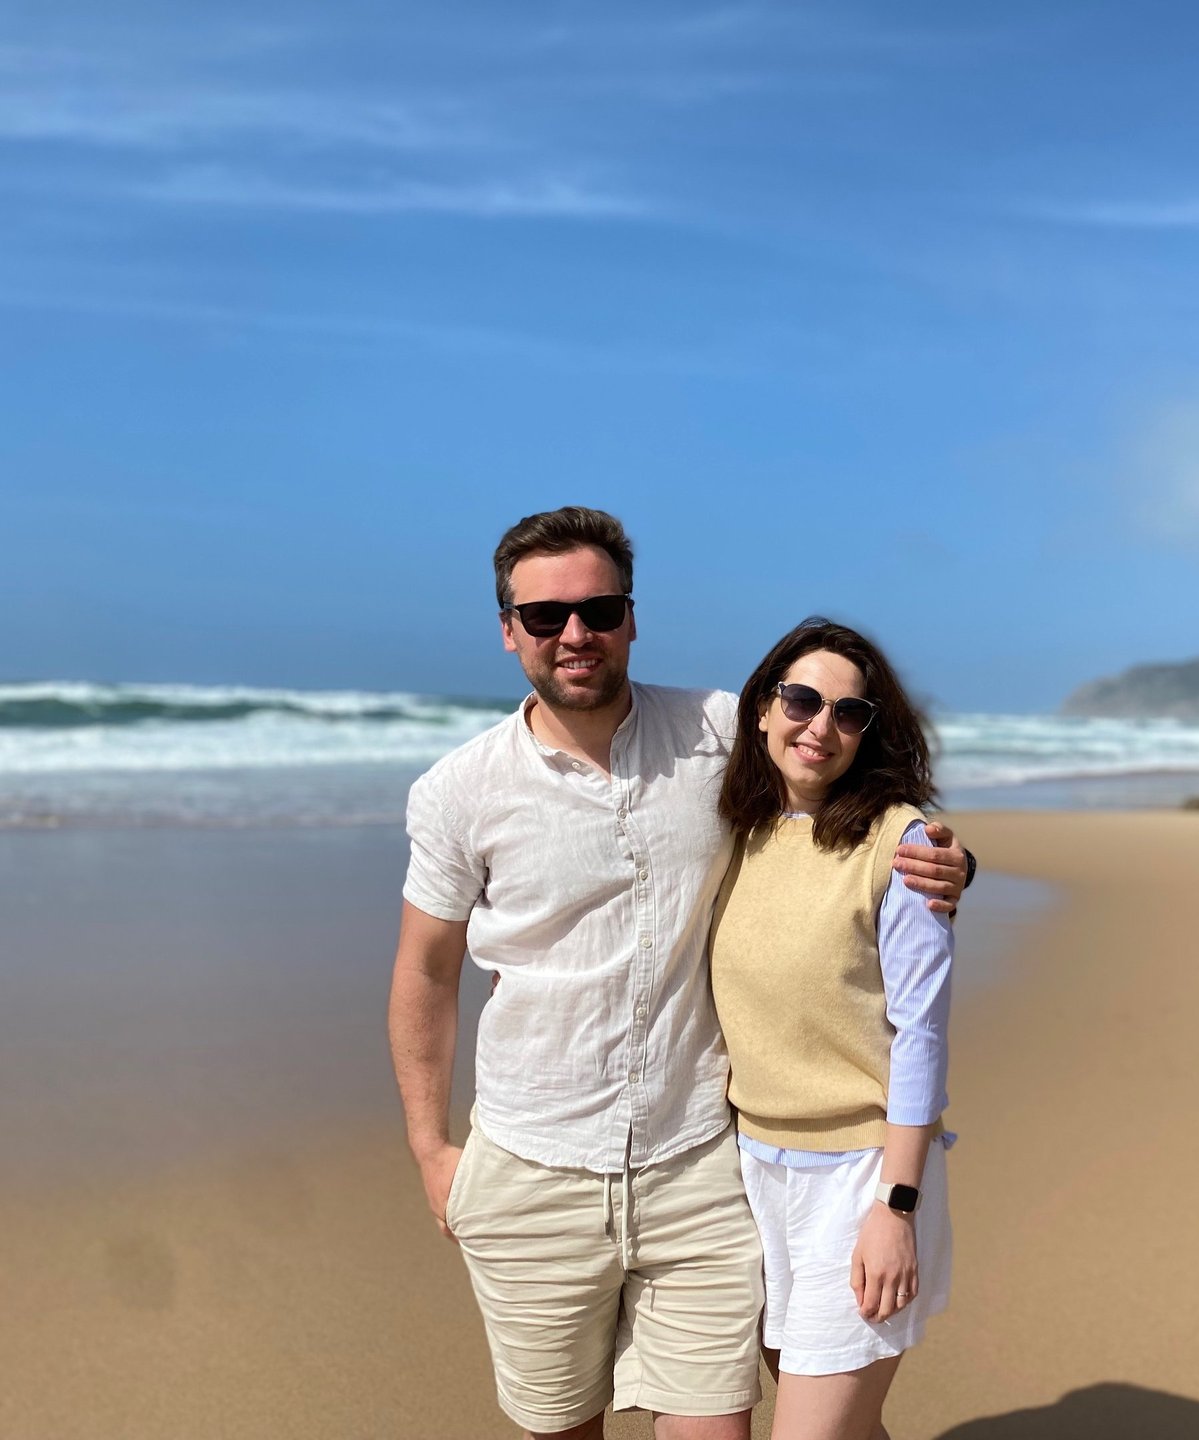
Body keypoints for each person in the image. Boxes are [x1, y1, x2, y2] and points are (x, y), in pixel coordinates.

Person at [387, 507, 972, 1440]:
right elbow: (426, 971)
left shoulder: (718, 731)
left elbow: (832, 785)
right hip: (533, 1168)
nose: (574, 633)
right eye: (544, 616)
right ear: (509, 631)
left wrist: (942, 862)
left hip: (700, 1167)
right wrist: (429, 1149)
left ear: (630, 617)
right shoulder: (459, 791)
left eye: (597, 610)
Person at [708, 619, 957, 1440]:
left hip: (861, 1177)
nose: (821, 726)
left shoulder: (902, 845)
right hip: (752, 1173)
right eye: (801, 700)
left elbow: (921, 1038)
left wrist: (896, 1207)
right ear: (762, 708)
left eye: (849, 714)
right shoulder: (732, 829)